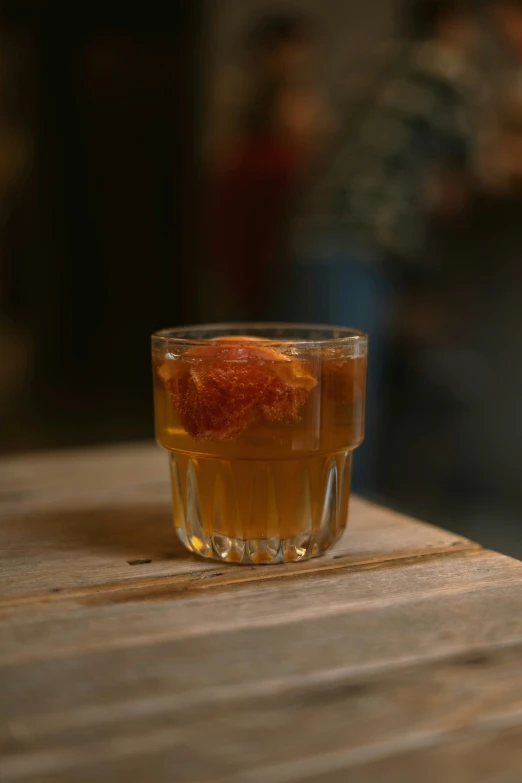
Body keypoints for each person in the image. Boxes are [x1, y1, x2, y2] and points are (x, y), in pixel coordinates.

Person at [282, 0, 482, 493]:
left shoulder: (380, 61)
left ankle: (290, 523)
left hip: (313, 237)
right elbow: (469, 173)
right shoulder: (445, 67)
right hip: (359, 243)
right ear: (459, 21)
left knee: (303, 402)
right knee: (344, 407)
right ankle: (338, 539)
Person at [206, 12, 333, 320]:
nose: (298, 59)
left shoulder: (308, 100)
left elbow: (318, 155)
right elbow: (221, 158)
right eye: (289, 49)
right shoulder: (238, 95)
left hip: (292, 220)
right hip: (252, 214)